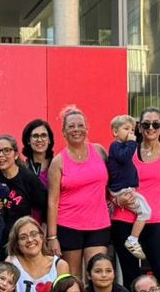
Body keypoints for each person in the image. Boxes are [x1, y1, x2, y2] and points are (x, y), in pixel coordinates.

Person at [108, 107, 160, 292]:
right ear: (139, 128)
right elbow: (107, 178)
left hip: (152, 220)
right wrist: (115, 199)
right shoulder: (127, 150)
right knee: (130, 277)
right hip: (124, 218)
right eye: (146, 124)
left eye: (156, 124)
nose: (151, 128)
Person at [45, 107, 111, 279]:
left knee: (98, 275)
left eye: (80, 125)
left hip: (99, 225)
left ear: (87, 128)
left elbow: (114, 181)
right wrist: (52, 237)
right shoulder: (58, 162)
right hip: (69, 226)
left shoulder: (99, 151)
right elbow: (52, 201)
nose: (76, 129)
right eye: (71, 126)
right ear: (64, 132)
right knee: (73, 278)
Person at [106, 115, 152, 261]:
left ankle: (133, 238)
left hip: (126, 188)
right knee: (145, 212)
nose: (130, 133)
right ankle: (133, 239)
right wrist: (132, 144)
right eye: (126, 129)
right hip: (122, 190)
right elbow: (124, 157)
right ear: (115, 132)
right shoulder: (116, 146)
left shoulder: (122, 147)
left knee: (145, 210)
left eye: (132, 130)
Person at [0, 134, 47, 239]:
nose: (1, 155)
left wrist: (44, 231)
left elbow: (46, 205)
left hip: (20, 238)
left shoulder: (28, 178)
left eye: (7, 150)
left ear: (16, 155)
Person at [5, 216, 69, 292]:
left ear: (42, 237)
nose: (30, 240)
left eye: (34, 234)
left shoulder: (60, 265)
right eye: (23, 237)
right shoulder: (12, 262)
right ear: (17, 244)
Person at [20, 118, 55, 189]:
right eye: (35, 136)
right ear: (28, 140)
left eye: (44, 135)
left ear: (49, 140)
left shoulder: (58, 164)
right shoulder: (22, 168)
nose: (39, 140)